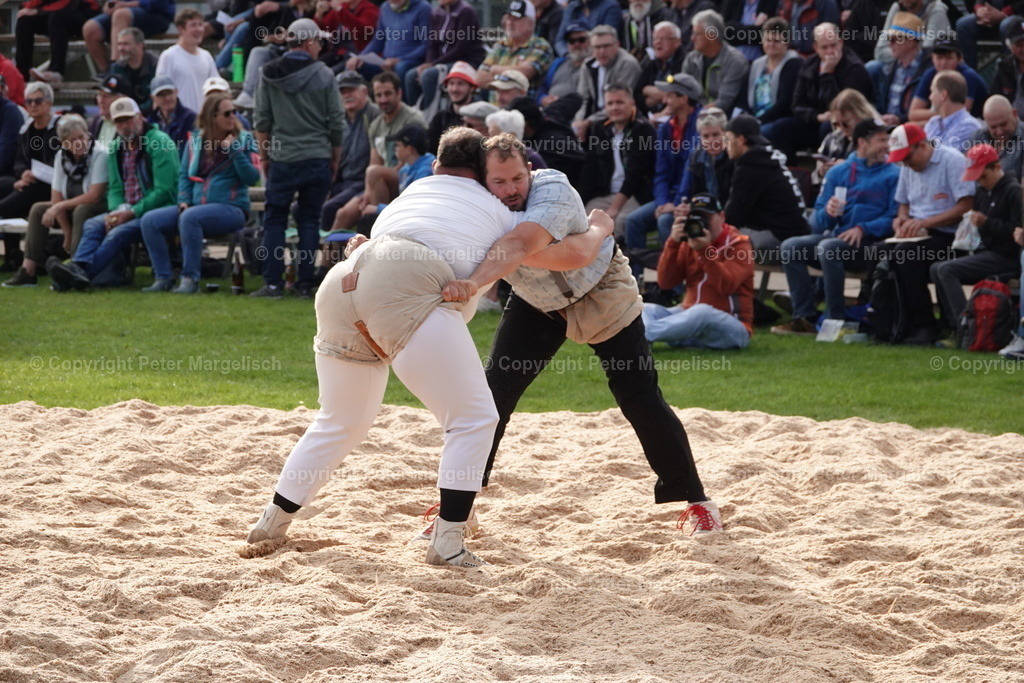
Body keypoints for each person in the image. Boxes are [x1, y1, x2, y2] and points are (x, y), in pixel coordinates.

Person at [245, 126, 615, 568]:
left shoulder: (411, 195)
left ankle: (271, 521)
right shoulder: (499, 211)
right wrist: (598, 228)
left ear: (436, 165)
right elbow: (560, 254)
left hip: (343, 282)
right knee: (474, 419)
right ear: (483, 175)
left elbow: (384, 243)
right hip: (407, 286)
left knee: (339, 420)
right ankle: (447, 542)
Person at [450, 133, 723, 536]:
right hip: (537, 302)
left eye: (516, 179)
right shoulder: (474, 203)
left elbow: (574, 255)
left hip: (601, 290)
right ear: (483, 181)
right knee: (493, 395)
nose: (510, 190)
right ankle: (459, 507)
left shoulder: (553, 186)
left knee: (640, 397)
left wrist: (498, 259)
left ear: (530, 170)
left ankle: (698, 501)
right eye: (499, 182)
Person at [772, 119, 898, 334]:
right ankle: (805, 318)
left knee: (829, 248)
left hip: (873, 246)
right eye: (881, 140)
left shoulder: (894, 173)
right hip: (839, 239)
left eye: (888, 140)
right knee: (791, 247)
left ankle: (834, 320)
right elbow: (818, 220)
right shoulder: (838, 173)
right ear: (862, 142)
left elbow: (894, 217)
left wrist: (864, 228)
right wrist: (828, 213)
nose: (887, 146)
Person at [47, 97, 179, 291]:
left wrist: (131, 212)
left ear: (140, 117)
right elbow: (116, 189)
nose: (124, 126)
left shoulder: (160, 143)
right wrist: (116, 211)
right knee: (93, 224)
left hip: (159, 210)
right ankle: (77, 267)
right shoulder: (116, 148)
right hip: (129, 210)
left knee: (117, 233)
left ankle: (79, 274)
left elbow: (165, 191)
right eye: (119, 121)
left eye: (128, 119)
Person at [253, 18, 344, 298]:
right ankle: (305, 284)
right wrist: (334, 159)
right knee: (309, 220)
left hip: (282, 159)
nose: (321, 46)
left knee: (275, 220)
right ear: (308, 42)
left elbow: (262, 121)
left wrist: (265, 156)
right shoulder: (325, 75)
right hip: (317, 158)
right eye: (319, 41)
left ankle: (272, 283)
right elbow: (337, 123)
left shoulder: (267, 73)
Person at [140, 92, 260, 293]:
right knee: (150, 221)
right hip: (196, 208)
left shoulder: (245, 139)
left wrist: (236, 151)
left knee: (190, 218)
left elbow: (252, 177)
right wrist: (184, 200)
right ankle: (163, 277)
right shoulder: (196, 140)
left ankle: (190, 279)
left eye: (235, 112)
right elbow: (185, 175)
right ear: (212, 117)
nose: (234, 117)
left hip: (232, 209)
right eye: (227, 113)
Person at [884, 122, 973, 344]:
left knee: (906, 254)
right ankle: (891, 321)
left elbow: (966, 206)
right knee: (879, 251)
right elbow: (903, 203)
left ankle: (924, 325)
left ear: (922, 146)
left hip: (953, 238)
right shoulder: (908, 166)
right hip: (920, 234)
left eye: (907, 157)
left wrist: (926, 222)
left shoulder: (952, 160)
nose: (905, 163)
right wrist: (902, 220)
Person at [3, 115, 108, 287]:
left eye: (81, 137)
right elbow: (56, 196)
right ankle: (28, 271)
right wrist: (66, 232)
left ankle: (75, 268)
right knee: (38, 209)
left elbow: (94, 195)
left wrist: (59, 206)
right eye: (72, 140)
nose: (79, 143)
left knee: (82, 209)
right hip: (70, 205)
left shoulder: (100, 154)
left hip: (99, 206)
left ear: (88, 135)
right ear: (64, 143)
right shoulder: (61, 156)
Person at [642, 193, 754, 348]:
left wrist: (705, 252)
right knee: (645, 308)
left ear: (721, 217)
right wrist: (673, 243)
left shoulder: (739, 246)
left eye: (706, 217)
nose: (701, 223)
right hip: (689, 321)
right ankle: (646, 335)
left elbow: (726, 286)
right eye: (695, 217)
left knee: (702, 312)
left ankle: (641, 336)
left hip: (732, 328)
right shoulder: (689, 240)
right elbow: (666, 283)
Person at [930, 144, 1022, 330]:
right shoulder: (981, 192)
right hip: (985, 251)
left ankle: (966, 326)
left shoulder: (1013, 191)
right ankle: (950, 323)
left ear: (996, 167)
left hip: (1006, 256)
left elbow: (1017, 233)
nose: (980, 181)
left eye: (983, 176)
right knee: (936, 268)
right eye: (976, 178)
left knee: (947, 270)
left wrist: (986, 223)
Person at [623, 72, 702, 273]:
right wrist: (661, 202)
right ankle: (639, 282)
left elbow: (691, 172)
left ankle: (674, 285)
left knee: (666, 220)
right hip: (669, 198)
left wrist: (674, 205)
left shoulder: (702, 125)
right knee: (634, 221)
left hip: (694, 198)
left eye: (670, 95)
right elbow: (661, 173)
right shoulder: (666, 128)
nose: (664, 100)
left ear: (684, 98)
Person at [765, 22, 873, 163]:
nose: (830, 51)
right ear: (815, 48)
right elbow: (796, 105)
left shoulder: (854, 68)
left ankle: (830, 170)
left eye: (833, 45)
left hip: (843, 124)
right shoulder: (809, 65)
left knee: (828, 127)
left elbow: (845, 108)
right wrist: (817, 116)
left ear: (841, 42)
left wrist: (827, 76)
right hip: (815, 120)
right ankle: (792, 173)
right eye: (824, 47)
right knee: (779, 128)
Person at [723, 113, 809, 263]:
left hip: (781, 240)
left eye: (728, 139)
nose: (725, 145)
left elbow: (733, 216)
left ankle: (719, 286)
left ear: (741, 139)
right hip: (794, 235)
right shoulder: (765, 159)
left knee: (716, 241)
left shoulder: (750, 167)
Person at [577, 83, 655, 238]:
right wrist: (577, 201)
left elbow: (636, 174)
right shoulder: (600, 128)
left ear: (632, 103)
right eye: (610, 103)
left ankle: (617, 262)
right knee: (582, 223)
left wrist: (614, 208)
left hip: (634, 195)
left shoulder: (643, 129)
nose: (614, 108)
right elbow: (590, 168)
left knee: (616, 225)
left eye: (620, 102)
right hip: (605, 194)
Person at [0, 82, 60, 267]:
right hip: (30, 182)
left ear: (49, 103)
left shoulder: (59, 128)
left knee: (6, 206)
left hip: (52, 185)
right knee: (4, 184)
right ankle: (12, 253)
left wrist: (33, 174)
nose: (33, 105)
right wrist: (24, 173)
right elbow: (18, 160)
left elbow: (60, 159)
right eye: (29, 101)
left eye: (38, 101)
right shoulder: (26, 130)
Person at [320, 70, 379, 232]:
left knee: (329, 209)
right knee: (301, 206)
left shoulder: (375, 115)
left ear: (364, 91)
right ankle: (309, 253)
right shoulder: (338, 119)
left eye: (351, 90)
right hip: (341, 183)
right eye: (342, 91)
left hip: (362, 183)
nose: (346, 95)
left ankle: (327, 254)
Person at [403, 0, 485, 111]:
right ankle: (415, 115)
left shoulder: (466, 11)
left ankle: (430, 117)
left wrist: (433, 64)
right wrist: (429, 63)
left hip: (465, 61)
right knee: (411, 76)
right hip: (442, 62)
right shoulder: (436, 12)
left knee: (429, 75)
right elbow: (432, 45)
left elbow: (461, 48)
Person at [345, 0, 432, 89]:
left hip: (410, 60)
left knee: (400, 67)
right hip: (385, 61)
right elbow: (377, 41)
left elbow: (426, 45)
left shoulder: (423, 8)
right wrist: (360, 57)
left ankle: (401, 101)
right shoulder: (385, 7)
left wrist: (399, 59)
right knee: (354, 65)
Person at [866, 11, 930, 125]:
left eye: (894, 39)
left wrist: (899, 120)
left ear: (910, 42)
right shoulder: (889, 69)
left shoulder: (928, 71)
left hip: (911, 128)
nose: (889, 44)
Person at [681, 9, 750, 114]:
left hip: (720, 119)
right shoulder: (692, 58)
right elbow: (682, 92)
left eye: (697, 34)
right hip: (694, 114)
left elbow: (724, 103)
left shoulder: (735, 61)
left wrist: (694, 115)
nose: (692, 38)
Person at [478, 0, 554, 95]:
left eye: (516, 19)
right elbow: (479, 78)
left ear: (530, 23)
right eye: (509, 18)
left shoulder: (540, 46)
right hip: (494, 106)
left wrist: (494, 70)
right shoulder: (501, 45)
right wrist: (513, 71)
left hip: (521, 106)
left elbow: (523, 73)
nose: (510, 23)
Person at [907, 35, 987, 124]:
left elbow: (959, 112)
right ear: (932, 57)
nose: (943, 63)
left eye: (949, 58)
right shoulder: (930, 74)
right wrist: (941, 112)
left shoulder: (968, 76)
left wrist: (925, 120)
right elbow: (913, 113)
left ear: (959, 58)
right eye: (939, 58)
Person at [15, 0, 101, 82]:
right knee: (24, 20)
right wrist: (30, 8)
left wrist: (39, 10)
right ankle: (22, 74)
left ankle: (56, 72)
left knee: (57, 18)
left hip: (84, 14)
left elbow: (67, 4)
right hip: (57, 15)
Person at [154, 9, 219, 114]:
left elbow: (216, 89)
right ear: (181, 29)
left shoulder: (206, 56)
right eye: (193, 25)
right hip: (180, 122)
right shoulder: (169, 56)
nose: (198, 29)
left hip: (204, 122)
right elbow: (161, 92)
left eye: (200, 25)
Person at [82, 0, 176, 72]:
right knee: (90, 28)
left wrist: (126, 4)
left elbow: (158, 4)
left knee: (120, 15)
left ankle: (117, 68)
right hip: (125, 12)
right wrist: (110, 5)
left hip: (157, 14)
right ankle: (107, 72)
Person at [577, 24, 642, 121]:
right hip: (593, 118)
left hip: (620, 118)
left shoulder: (628, 64)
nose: (602, 51)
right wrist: (578, 122)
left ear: (617, 45)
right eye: (597, 47)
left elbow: (620, 102)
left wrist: (589, 122)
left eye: (606, 46)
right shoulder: (587, 65)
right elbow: (582, 100)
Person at [745, 17, 802, 125]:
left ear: (786, 42)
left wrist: (758, 121)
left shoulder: (794, 63)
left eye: (776, 41)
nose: (771, 45)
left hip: (780, 119)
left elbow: (785, 103)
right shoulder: (757, 64)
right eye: (768, 40)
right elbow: (745, 96)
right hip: (756, 118)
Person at [535, 21, 590, 126]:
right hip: (548, 114)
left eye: (581, 40)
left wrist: (561, 103)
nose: (576, 44)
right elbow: (542, 87)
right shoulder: (558, 63)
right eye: (572, 41)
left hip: (574, 118)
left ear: (591, 41)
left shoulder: (592, 66)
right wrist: (543, 99)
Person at [872, 0, 949, 67]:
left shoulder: (935, 8)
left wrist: (905, 55)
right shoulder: (897, 7)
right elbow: (880, 50)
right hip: (899, 62)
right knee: (873, 66)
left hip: (928, 66)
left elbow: (928, 51)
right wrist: (904, 56)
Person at [965, 95, 1024, 181]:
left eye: (1004, 124)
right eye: (993, 127)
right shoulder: (978, 137)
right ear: (986, 122)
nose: (999, 131)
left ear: (1014, 114)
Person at [633, 21, 684, 117]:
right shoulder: (651, 63)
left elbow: (679, 96)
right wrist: (650, 95)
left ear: (677, 42)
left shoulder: (684, 62)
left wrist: (649, 91)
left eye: (663, 39)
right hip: (649, 117)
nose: (658, 42)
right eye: (655, 39)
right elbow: (636, 95)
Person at [924, 70, 982, 152]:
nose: (930, 97)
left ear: (943, 95)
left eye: (932, 92)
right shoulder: (933, 123)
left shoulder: (968, 126)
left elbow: (947, 161)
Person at [426, 62, 478, 153]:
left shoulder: (480, 118)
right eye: (451, 83)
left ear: (472, 88)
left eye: (460, 84)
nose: (454, 89)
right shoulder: (440, 117)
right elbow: (430, 150)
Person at [955, 1, 1019, 69]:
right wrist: (979, 8)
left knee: (1007, 25)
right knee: (963, 25)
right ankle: (968, 73)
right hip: (990, 14)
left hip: (1016, 14)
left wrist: (1004, 13)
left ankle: (1013, 70)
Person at [107, 27, 160, 107]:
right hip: (124, 112)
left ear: (139, 45)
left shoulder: (155, 65)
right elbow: (112, 92)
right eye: (119, 44)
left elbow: (158, 96)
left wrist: (137, 112)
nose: (121, 48)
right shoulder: (117, 68)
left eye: (125, 44)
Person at [145, 75, 197, 150]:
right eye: (161, 95)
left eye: (169, 93)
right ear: (153, 98)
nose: (167, 98)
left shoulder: (190, 118)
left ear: (176, 92)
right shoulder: (150, 122)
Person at [554, 0, 623, 56]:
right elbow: (559, 41)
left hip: (598, 57)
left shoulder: (610, 6)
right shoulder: (571, 7)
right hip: (573, 58)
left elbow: (607, 40)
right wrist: (568, 54)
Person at [775, 0, 840, 55]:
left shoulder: (825, 3)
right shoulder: (785, 3)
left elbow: (829, 38)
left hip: (815, 56)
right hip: (789, 54)